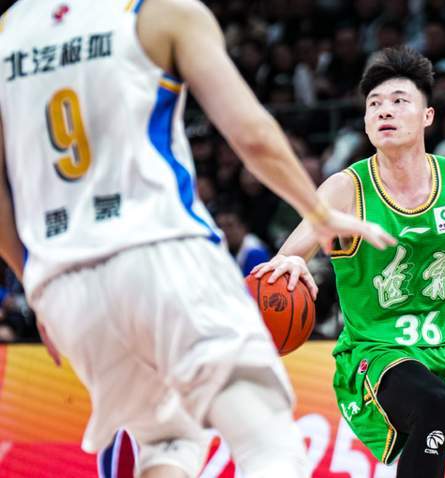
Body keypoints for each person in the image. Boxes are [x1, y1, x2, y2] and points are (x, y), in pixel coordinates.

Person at [0, 1, 395, 478]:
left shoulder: (9, 30)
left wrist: (35, 283)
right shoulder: (158, 12)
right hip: (159, 252)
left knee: (166, 442)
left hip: (63, 285)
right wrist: (317, 211)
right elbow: (252, 136)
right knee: (268, 442)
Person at [253, 47, 445, 478]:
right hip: (377, 355)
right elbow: (288, 255)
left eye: (398, 101)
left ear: (428, 116)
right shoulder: (345, 190)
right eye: (374, 104)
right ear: (365, 122)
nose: (384, 111)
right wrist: (292, 264)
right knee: (435, 403)